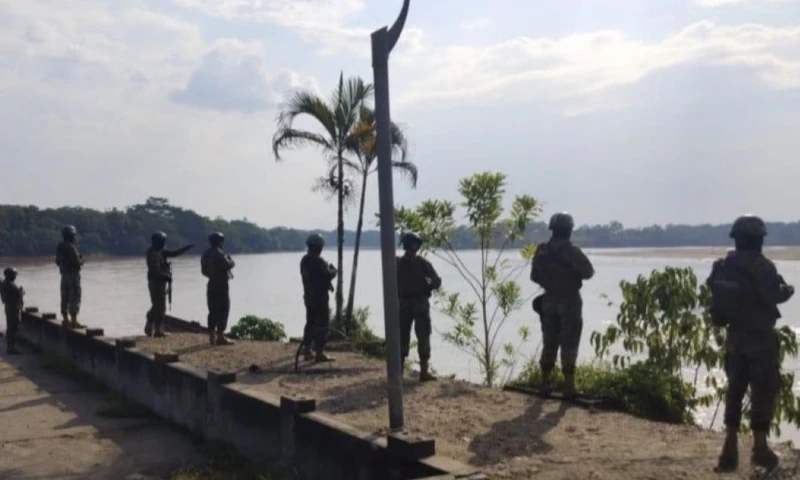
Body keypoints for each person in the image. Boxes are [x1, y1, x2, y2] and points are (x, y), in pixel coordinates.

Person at [707, 214, 794, 473]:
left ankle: (729, 449)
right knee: (763, 390)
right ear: (758, 240)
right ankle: (759, 448)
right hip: (760, 337)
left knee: (734, 390)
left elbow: (714, 293)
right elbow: (774, 294)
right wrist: (788, 290)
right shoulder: (762, 267)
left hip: (735, 337)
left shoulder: (723, 265)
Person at [530, 212, 594, 399]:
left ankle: (544, 383)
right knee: (569, 342)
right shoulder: (572, 252)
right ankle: (569, 387)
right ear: (569, 230)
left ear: (552, 229)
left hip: (548, 301)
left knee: (549, 341)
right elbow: (588, 272)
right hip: (569, 301)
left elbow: (534, 276)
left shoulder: (542, 250)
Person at [396, 231, 441, 382]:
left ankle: (399, 373)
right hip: (419, 303)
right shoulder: (422, 263)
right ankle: (423, 372)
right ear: (414, 246)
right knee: (423, 336)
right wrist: (427, 287)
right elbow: (436, 281)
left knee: (403, 336)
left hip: (404, 304)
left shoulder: (397, 263)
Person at [145, 232, 193, 338]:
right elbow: (155, 270)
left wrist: (186, 248)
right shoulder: (154, 254)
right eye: (163, 241)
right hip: (156, 283)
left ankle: (150, 326)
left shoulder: (159, 251)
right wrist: (166, 276)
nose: (164, 243)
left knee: (157, 305)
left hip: (160, 283)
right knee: (160, 306)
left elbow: (174, 253)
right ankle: (157, 330)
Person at [300, 233, 337, 362]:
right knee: (322, 325)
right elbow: (327, 275)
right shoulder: (319, 262)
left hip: (309, 298)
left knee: (310, 323)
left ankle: (307, 351)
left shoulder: (304, 261)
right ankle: (319, 353)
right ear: (319, 248)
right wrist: (334, 271)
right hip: (320, 299)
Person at [201, 232, 235, 346]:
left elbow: (204, 271)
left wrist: (212, 275)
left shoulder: (205, 254)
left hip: (211, 284)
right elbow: (229, 265)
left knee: (212, 310)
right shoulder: (220, 254)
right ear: (220, 242)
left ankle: (211, 337)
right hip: (221, 285)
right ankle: (220, 336)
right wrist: (231, 260)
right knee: (224, 310)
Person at [55, 225, 84, 329]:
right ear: (71, 236)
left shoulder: (60, 247)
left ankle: (65, 319)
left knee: (64, 297)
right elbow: (78, 262)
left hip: (64, 275)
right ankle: (74, 321)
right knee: (75, 296)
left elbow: (57, 261)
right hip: (73, 275)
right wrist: (81, 260)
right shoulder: (71, 247)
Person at [1, 267, 24, 355]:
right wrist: (21, 291)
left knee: (10, 327)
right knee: (13, 328)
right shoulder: (11, 285)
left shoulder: (3, 283)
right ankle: (11, 348)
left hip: (8, 307)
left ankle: (10, 347)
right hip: (13, 308)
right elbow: (19, 294)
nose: (15, 276)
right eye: (14, 274)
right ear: (10, 275)